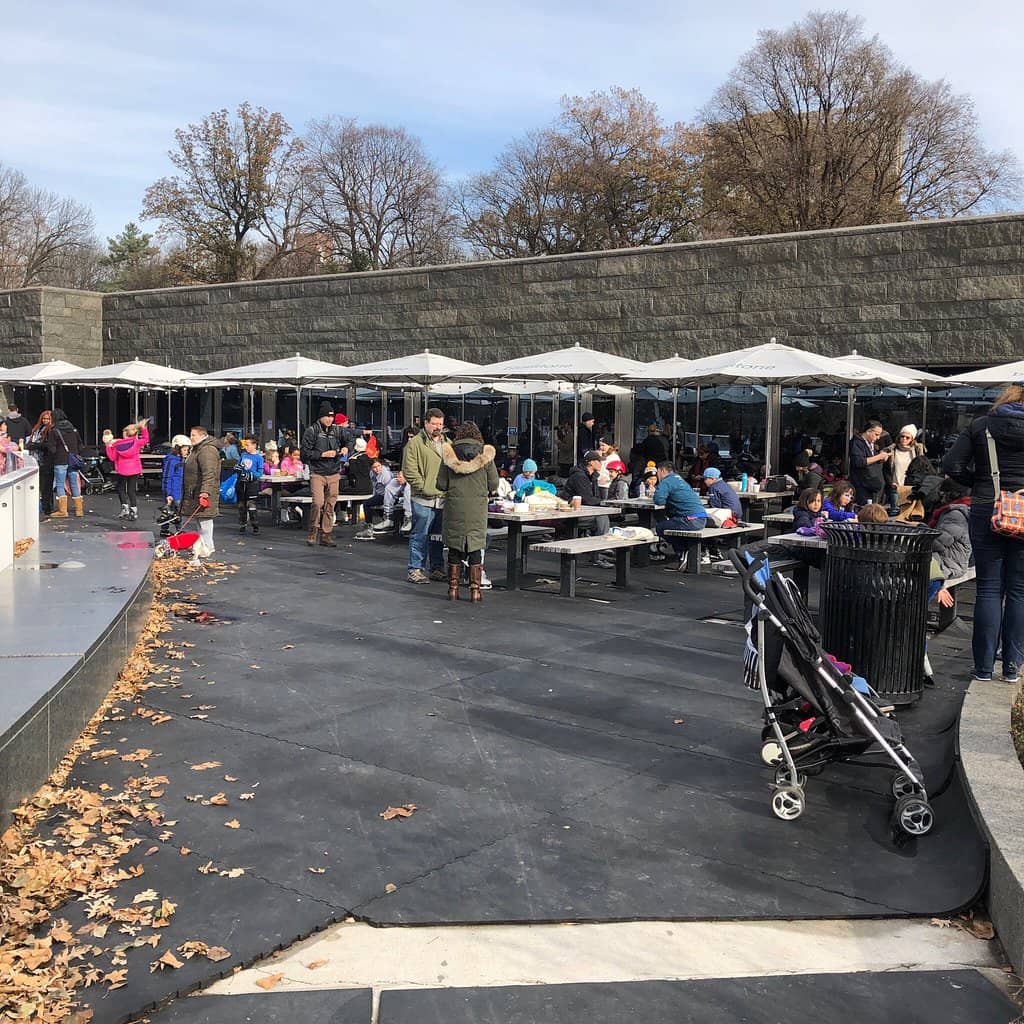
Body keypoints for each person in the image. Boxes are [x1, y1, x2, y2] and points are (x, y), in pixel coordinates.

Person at [942, 382, 1024, 684]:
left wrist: (980, 482)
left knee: (988, 588)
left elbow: (952, 464)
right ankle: (1013, 665)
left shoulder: (981, 425)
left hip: (987, 505)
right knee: (1019, 590)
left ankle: (984, 668)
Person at [436, 421, 499, 601]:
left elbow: (440, 484)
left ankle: (453, 589)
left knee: (454, 547)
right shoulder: (485, 456)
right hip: (477, 510)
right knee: (475, 548)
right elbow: (494, 484)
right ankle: (475, 590)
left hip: (454, 508)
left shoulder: (449, 454)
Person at [402, 407, 447, 585]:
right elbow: (409, 471)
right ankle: (415, 569)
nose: (438, 427)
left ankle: (437, 568)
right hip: (423, 498)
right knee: (420, 534)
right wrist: (424, 488)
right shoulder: (414, 444)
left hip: (442, 497)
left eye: (440, 424)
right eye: (434, 423)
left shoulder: (447, 443)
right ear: (426, 423)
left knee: (438, 536)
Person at [300, 401, 349, 548]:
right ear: (320, 417)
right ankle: (313, 530)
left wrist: (346, 448)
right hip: (318, 472)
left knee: (330, 504)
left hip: (334, 471)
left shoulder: (337, 431)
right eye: (327, 416)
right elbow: (304, 454)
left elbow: (350, 438)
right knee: (318, 502)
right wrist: (322, 454)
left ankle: (326, 534)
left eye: (331, 417)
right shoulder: (312, 431)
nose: (329, 419)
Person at [560, 450, 613, 568]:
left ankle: (599, 551)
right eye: (598, 461)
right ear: (591, 463)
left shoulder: (592, 476)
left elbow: (595, 498)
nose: (601, 464)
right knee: (601, 518)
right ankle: (599, 553)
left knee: (602, 517)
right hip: (570, 514)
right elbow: (588, 499)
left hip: (584, 512)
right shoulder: (579, 477)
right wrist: (606, 503)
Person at [654, 461, 708, 569]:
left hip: (690, 520)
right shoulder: (680, 480)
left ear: (662, 471)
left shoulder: (666, 481)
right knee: (671, 523)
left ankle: (683, 550)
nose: (657, 475)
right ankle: (683, 552)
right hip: (701, 518)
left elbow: (658, 500)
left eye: (657, 472)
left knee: (660, 527)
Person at [181, 425, 221, 556]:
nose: (191, 438)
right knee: (200, 519)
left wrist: (205, 492)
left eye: (194, 435)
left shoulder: (207, 450)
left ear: (203, 436)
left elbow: (209, 473)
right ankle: (203, 546)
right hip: (195, 490)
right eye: (190, 435)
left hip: (203, 490)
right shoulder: (197, 449)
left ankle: (208, 547)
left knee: (205, 520)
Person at [105, 419, 150, 521]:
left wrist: (108, 446)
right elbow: (146, 439)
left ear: (125, 433)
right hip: (135, 470)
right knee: (131, 490)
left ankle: (124, 508)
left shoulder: (118, 444)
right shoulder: (137, 442)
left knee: (120, 488)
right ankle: (133, 511)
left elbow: (112, 458)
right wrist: (143, 429)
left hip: (123, 470)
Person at [47, 408, 83, 519]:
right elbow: (80, 445)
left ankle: (63, 511)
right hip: (73, 461)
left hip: (60, 460)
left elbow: (52, 448)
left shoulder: (54, 431)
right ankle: (79, 510)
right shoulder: (73, 430)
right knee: (74, 484)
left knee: (60, 484)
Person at [849, 420, 890, 506]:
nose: (878, 438)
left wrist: (881, 458)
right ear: (868, 431)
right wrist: (879, 457)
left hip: (873, 484)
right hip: (862, 485)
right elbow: (859, 462)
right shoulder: (856, 442)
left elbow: (871, 459)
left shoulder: (872, 443)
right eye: (876, 434)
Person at [160, 435, 190, 537]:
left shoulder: (180, 460)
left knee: (173, 511)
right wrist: (168, 493)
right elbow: (167, 477)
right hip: (172, 490)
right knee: (174, 511)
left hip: (178, 490)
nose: (187, 452)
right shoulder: (172, 460)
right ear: (178, 448)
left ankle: (166, 529)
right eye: (185, 449)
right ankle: (178, 529)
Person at [26, 410, 55, 515]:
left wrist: (35, 445)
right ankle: (43, 505)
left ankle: (48, 507)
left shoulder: (52, 430)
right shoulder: (38, 428)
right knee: (41, 485)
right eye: (44, 418)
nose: (45, 421)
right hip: (37, 458)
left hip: (47, 460)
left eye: (47, 419)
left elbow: (48, 445)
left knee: (46, 485)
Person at [235, 436, 265, 535]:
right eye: (245, 445)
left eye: (247, 445)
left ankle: (255, 525)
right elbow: (238, 465)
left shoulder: (259, 458)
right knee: (241, 505)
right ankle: (242, 525)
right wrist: (237, 468)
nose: (246, 447)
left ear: (254, 445)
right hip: (241, 482)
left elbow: (260, 472)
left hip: (252, 484)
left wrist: (252, 475)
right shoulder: (243, 455)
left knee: (251, 505)